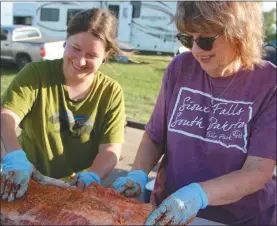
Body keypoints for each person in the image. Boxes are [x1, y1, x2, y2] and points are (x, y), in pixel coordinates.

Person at [112, 2, 276, 225]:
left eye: (206, 40)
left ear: (239, 32)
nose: (196, 50)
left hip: (239, 219)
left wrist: (198, 195)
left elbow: (258, 171)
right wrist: (138, 174)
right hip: (168, 213)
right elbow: (155, 136)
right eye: (187, 39)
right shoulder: (180, 67)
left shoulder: (268, 83)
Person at [1, 8, 126, 202]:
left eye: (92, 55)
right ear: (66, 40)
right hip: (27, 180)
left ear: (106, 55)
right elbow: (6, 117)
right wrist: (15, 156)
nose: (80, 60)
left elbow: (110, 149)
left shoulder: (110, 92)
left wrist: (93, 175)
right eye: (75, 48)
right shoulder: (36, 75)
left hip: (77, 190)